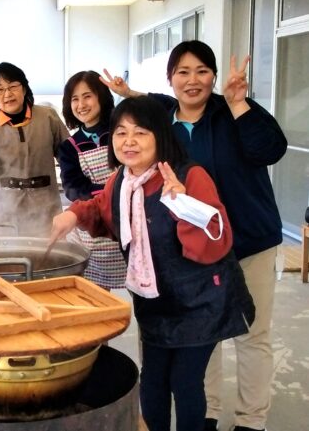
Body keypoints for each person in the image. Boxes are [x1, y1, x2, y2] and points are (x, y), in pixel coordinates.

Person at [102, 40, 287, 431]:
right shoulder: (163, 119)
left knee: (252, 335)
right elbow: (144, 112)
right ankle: (208, 413)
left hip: (248, 241)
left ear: (214, 76)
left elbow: (270, 150)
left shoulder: (232, 111)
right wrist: (128, 93)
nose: (192, 80)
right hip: (191, 253)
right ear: (170, 78)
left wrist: (239, 104)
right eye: (182, 72)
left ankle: (251, 420)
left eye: (202, 71)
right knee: (200, 340)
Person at [50, 96, 255, 431]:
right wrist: (73, 215)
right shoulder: (122, 180)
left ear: (160, 135)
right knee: (153, 379)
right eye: (121, 133)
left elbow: (215, 243)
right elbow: (103, 208)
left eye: (140, 132)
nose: (129, 141)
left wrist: (183, 205)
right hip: (155, 300)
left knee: (185, 380)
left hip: (201, 300)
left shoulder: (190, 176)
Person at [0, 62, 68, 237]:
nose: (7, 94)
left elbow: (68, 158)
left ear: (24, 89)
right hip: (0, 217)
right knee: (3, 255)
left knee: (49, 254)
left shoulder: (48, 117)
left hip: (45, 213)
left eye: (13, 86)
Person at [57, 70, 126, 289]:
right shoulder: (69, 147)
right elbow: (73, 188)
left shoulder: (122, 132)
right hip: (91, 231)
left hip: (128, 220)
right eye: (74, 99)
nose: (81, 105)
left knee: (142, 288)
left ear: (101, 97)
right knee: (95, 294)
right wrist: (111, 192)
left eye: (87, 96)